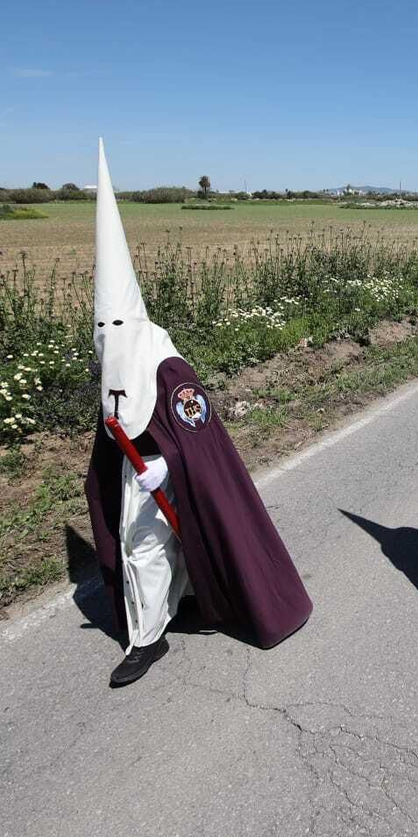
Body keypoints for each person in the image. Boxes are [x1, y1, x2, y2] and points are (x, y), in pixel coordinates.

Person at [83, 141, 311, 687]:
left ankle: (200, 603)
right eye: (100, 330)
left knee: (187, 543)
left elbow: (199, 433)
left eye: (116, 329)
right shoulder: (114, 363)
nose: (108, 340)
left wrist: (171, 465)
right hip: (135, 475)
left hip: (172, 477)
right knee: (142, 552)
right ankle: (147, 638)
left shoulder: (166, 366)